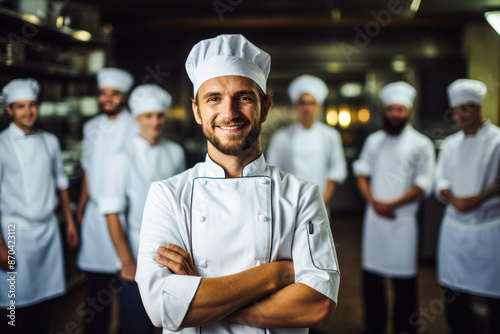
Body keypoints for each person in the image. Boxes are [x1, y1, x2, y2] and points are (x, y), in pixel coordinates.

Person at [136, 34, 339, 333]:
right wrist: (275, 275)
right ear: (196, 110)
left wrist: (198, 295)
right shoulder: (167, 195)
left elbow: (318, 305)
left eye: (244, 97)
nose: (229, 113)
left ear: (265, 107)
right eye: (214, 98)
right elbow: (160, 307)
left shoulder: (302, 195)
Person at [100, 84, 185, 334]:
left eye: (159, 115)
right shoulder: (121, 158)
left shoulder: (175, 152)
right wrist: (127, 261)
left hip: (173, 250)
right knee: (136, 324)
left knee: (171, 323)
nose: (155, 122)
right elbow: (112, 213)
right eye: (148, 116)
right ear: (137, 118)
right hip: (139, 254)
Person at [353, 81, 435, 334]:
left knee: (405, 283)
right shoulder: (374, 141)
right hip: (375, 219)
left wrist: (392, 204)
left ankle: (404, 329)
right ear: (385, 111)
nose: (395, 114)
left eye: (400, 110)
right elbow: (361, 172)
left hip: (403, 221)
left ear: (409, 111)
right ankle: (374, 327)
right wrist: (373, 201)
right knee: (372, 281)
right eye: (391, 109)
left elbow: (424, 184)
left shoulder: (422, 144)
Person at [0, 78, 78, 334]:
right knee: (12, 309)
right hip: (14, 232)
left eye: (32, 105)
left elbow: (61, 181)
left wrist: (69, 220)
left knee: (45, 305)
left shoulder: (50, 141)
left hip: (48, 231)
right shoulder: (1, 145)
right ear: (9, 110)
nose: (28, 111)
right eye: (20, 106)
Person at [435, 79, 500, 334]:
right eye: (456, 110)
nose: (461, 115)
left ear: (479, 107)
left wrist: (484, 195)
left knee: (495, 299)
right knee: (454, 296)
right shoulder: (450, 144)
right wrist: (455, 198)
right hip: (454, 230)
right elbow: (439, 180)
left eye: (467, 108)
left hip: (490, 229)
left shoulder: (497, 140)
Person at [76, 67, 137, 333]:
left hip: (126, 216)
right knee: (96, 289)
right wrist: (80, 209)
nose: (107, 99)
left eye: (114, 94)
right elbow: (89, 170)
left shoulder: (136, 124)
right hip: (94, 216)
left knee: (129, 285)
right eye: (103, 94)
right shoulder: (90, 128)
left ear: (124, 96)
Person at [267, 74, 347, 206]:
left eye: (311, 103)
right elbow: (274, 172)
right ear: (295, 106)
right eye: (302, 103)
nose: (307, 108)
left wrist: (323, 202)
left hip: (321, 201)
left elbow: (336, 171)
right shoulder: (280, 137)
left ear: (319, 106)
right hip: (290, 203)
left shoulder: (331, 135)